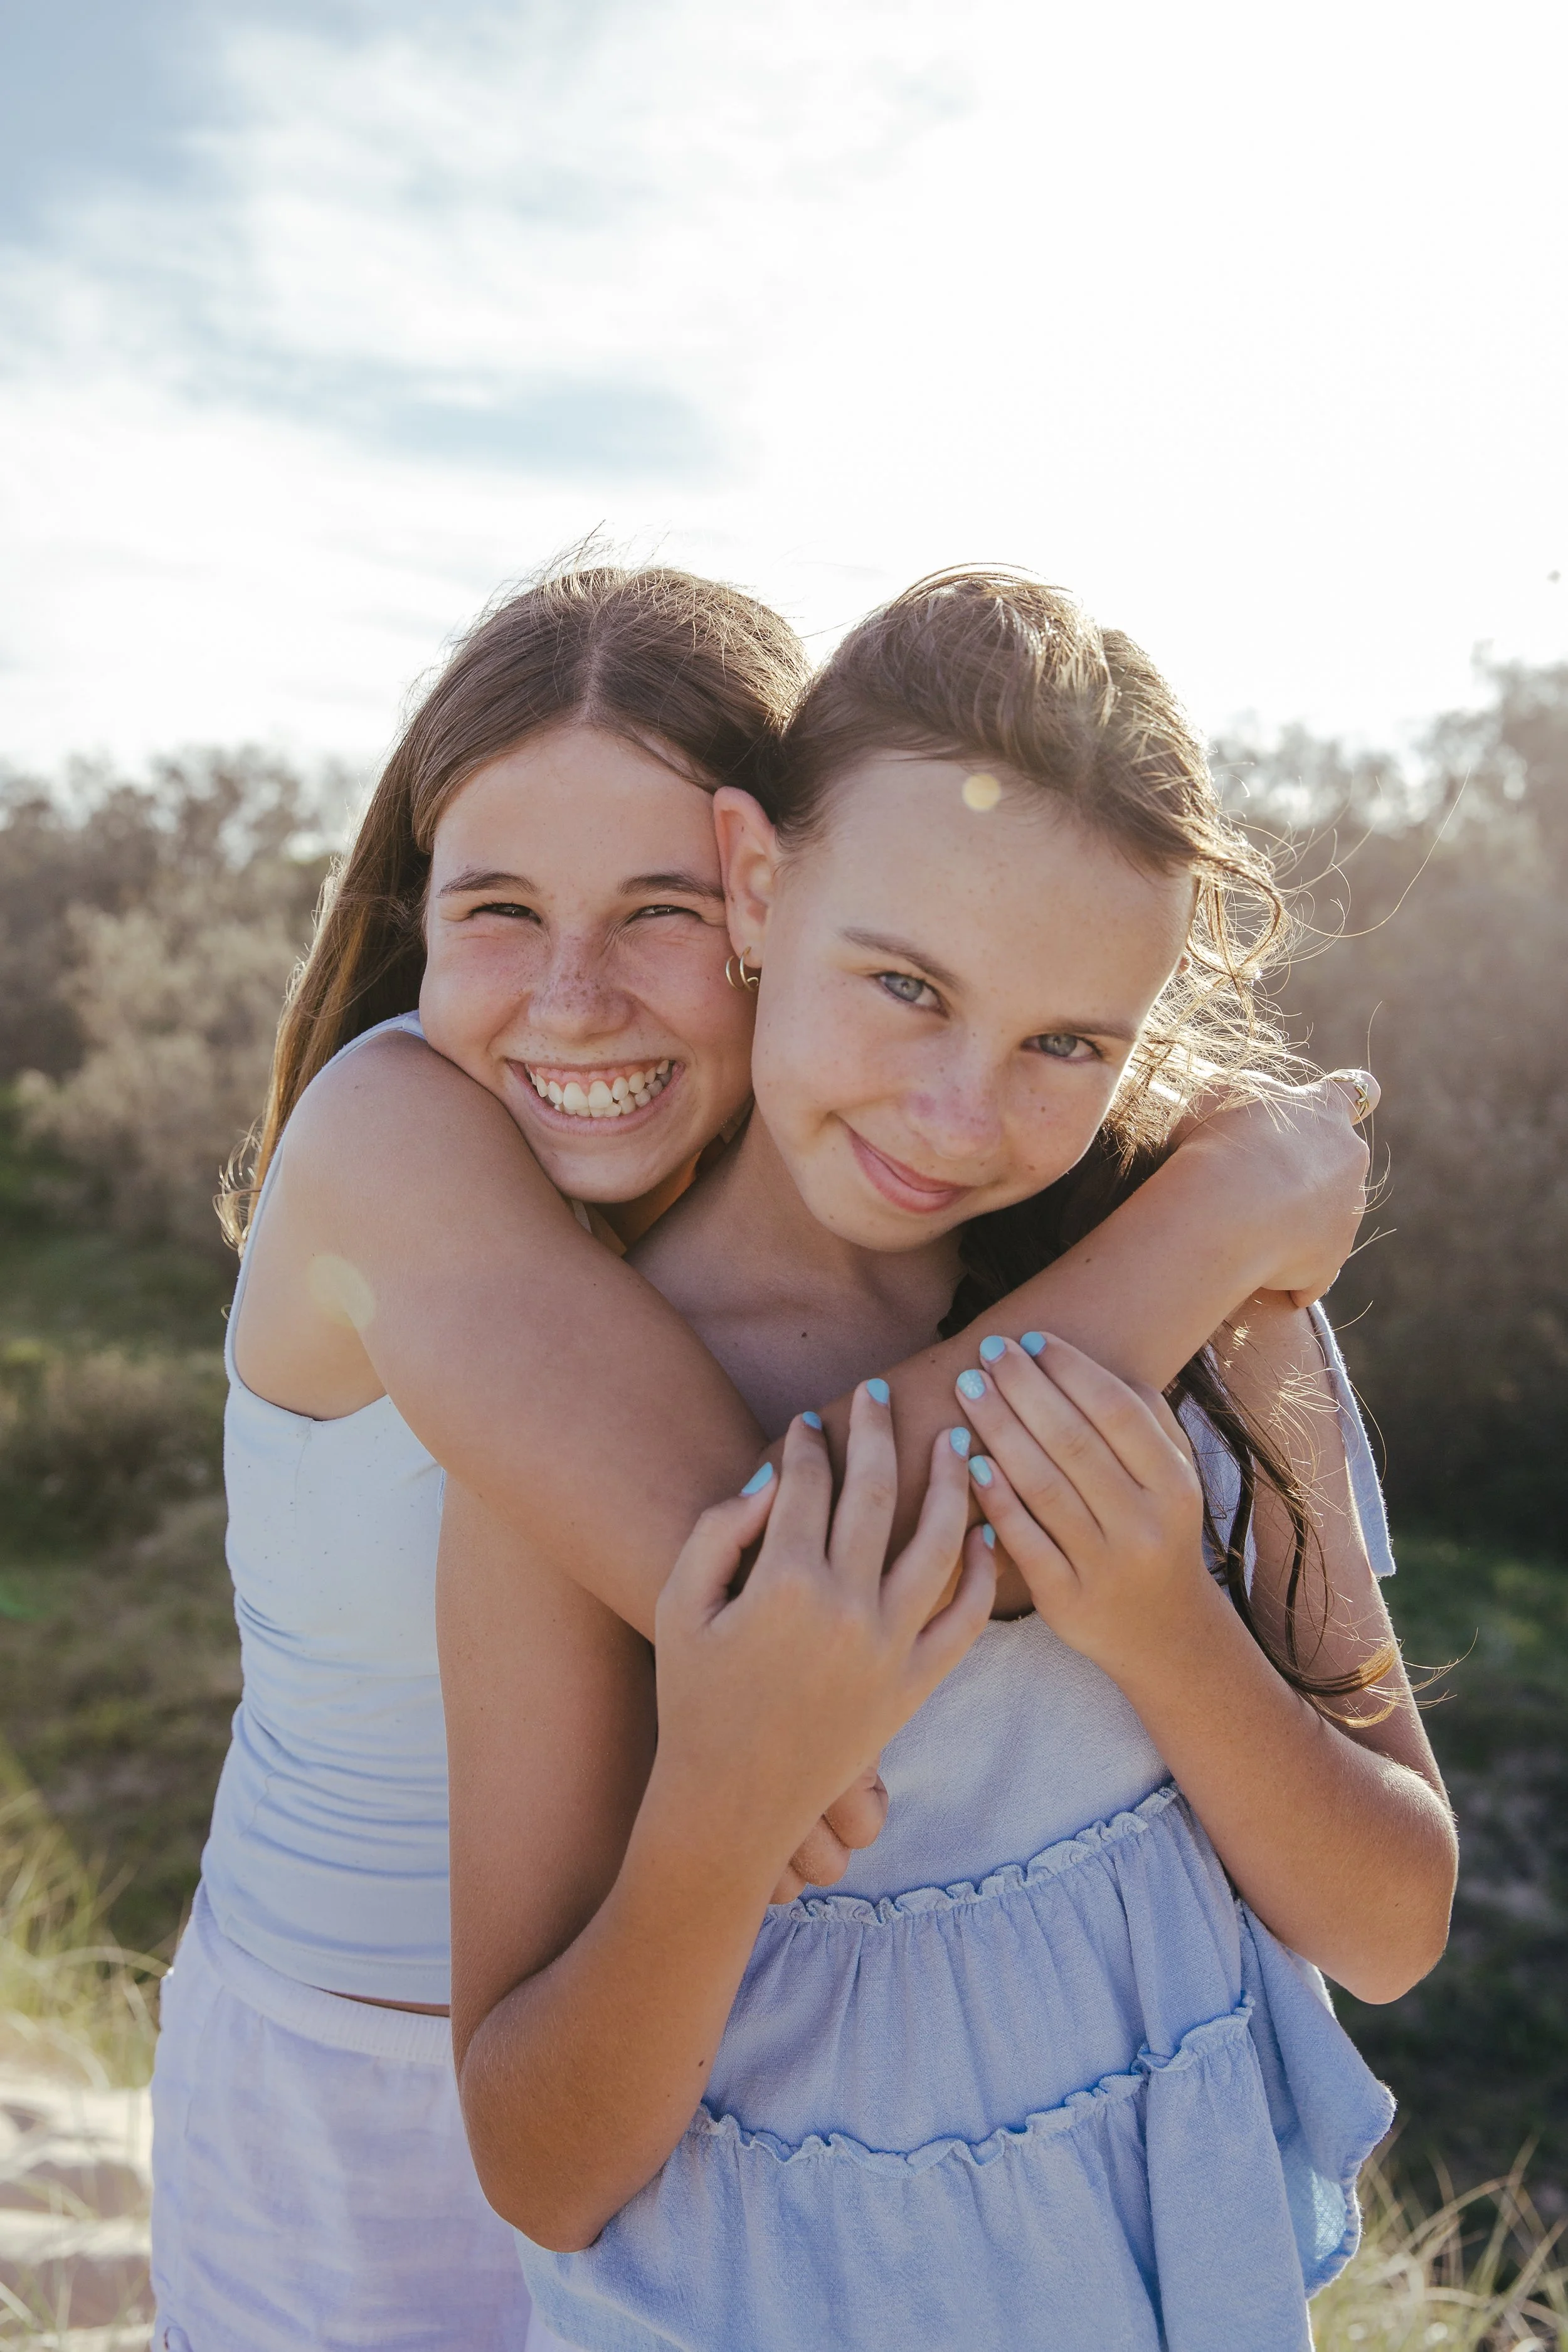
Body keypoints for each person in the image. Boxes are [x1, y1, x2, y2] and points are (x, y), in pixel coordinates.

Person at [148, 559, 1377, 2352]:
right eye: (498, 908)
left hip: (708, 2081)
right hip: (373, 2090)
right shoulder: (391, 1132)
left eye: (652, 909)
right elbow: (783, 1580)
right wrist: (1214, 1214)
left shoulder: (751, 1247)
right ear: (417, 914)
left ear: (753, 897)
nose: (574, 998)